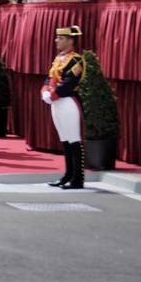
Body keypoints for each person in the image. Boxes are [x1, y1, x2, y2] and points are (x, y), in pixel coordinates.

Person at [43, 25, 86, 190]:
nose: (56, 41)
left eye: (60, 38)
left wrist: (52, 94)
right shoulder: (58, 58)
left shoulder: (76, 59)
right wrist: (45, 91)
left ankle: (77, 178)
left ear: (70, 41)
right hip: (57, 102)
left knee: (74, 139)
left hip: (68, 101)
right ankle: (68, 174)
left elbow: (70, 82)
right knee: (65, 140)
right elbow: (49, 78)